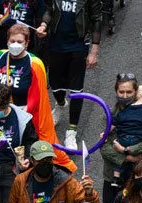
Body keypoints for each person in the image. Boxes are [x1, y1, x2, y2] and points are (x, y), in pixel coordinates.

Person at [35, 0, 105, 146]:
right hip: (56, 45)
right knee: (55, 85)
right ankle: (60, 104)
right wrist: (44, 25)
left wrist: (94, 52)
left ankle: (71, 131)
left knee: (76, 90)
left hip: (78, 46)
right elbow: (49, 10)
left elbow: (97, 20)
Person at [0, 23, 57, 146]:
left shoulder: (35, 63)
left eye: (19, 41)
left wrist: (20, 116)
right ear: (7, 41)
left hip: (23, 115)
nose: (15, 44)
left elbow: (38, 95)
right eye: (12, 41)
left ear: (26, 43)